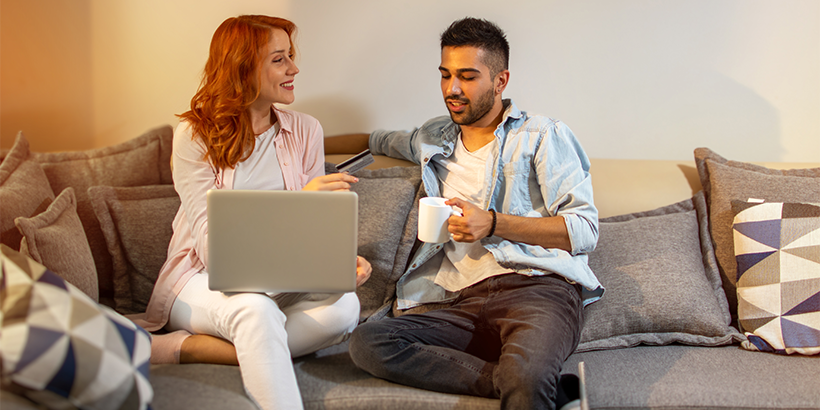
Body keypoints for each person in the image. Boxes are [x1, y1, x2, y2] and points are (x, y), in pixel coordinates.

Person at [325, 17, 603, 410]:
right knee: (369, 342)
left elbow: (584, 229)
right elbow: (374, 140)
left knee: (526, 378)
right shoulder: (432, 137)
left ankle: (525, 382)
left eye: (468, 77)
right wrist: (296, 136)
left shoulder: (542, 136)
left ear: (501, 81)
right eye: (445, 75)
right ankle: (536, 387)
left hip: (537, 289)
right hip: (456, 299)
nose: (452, 90)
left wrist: (491, 223)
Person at [128, 15, 372, 410]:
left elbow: (311, 233)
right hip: (202, 281)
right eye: (279, 59)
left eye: (291, 56)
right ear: (243, 68)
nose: (294, 69)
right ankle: (230, 344)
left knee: (345, 306)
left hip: (282, 279)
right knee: (255, 309)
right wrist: (302, 202)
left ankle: (185, 349)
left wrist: (333, 262)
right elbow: (213, 252)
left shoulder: (306, 130)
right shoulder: (194, 135)